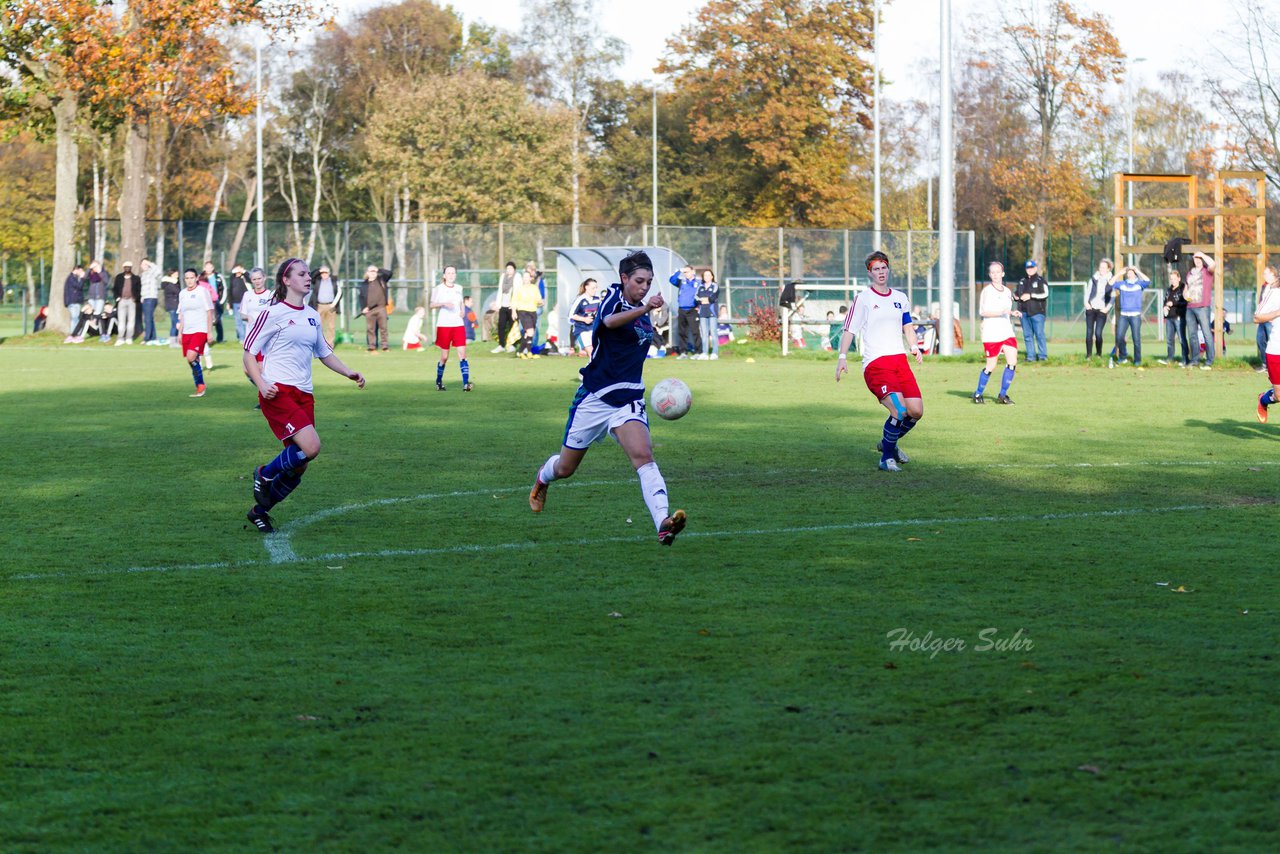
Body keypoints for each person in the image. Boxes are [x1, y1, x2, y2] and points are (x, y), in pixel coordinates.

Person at [528, 250, 687, 546]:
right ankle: (542, 478)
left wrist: (646, 310)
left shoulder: (641, 309)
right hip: (595, 397)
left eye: (649, 282)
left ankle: (663, 523)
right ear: (624, 278)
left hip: (628, 399)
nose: (645, 287)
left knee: (644, 457)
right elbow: (610, 322)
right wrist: (645, 309)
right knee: (566, 468)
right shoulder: (613, 299)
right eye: (639, 280)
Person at [244, 258, 365, 534]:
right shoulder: (272, 313)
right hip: (278, 391)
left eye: (308, 274)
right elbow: (248, 353)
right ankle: (263, 473)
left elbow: (323, 352)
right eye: (301, 274)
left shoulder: (311, 315)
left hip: (304, 395)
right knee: (311, 448)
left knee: (299, 466)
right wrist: (261, 384)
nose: (308, 278)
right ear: (286, 280)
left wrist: (348, 372)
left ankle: (259, 511)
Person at [835, 251, 924, 472]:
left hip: (900, 362)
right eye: (876, 269)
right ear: (870, 273)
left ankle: (888, 443)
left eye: (883, 268)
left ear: (888, 269)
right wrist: (842, 357)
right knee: (899, 410)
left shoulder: (900, 298)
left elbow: (907, 327)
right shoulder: (863, 299)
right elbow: (849, 330)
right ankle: (886, 458)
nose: (881, 272)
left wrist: (914, 346)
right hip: (876, 364)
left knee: (916, 411)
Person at [972, 261, 1020, 405]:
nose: (995, 275)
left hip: (1007, 332)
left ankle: (1002, 395)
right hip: (991, 333)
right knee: (991, 366)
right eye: (992, 272)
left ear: (1002, 274)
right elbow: (983, 312)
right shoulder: (987, 291)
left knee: (1012, 362)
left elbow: (1005, 310)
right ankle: (978, 394)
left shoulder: (1007, 291)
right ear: (990, 274)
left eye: (997, 272)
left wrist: (1012, 312)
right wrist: (1001, 312)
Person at [430, 264, 472, 390]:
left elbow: (460, 303)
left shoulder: (459, 287)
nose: (451, 275)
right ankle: (438, 382)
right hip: (444, 325)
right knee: (444, 357)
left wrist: (463, 311)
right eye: (448, 273)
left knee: (462, 354)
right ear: (444, 275)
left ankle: (466, 384)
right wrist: (443, 304)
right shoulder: (438, 288)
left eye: (453, 273)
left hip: (458, 325)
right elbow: (431, 304)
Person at [177, 268, 214, 398]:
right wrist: (180, 332)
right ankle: (199, 387)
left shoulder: (202, 292)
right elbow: (182, 313)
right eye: (186, 278)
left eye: (191, 277)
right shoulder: (182, 293)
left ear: (196, 278)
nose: (189, 280)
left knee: (191, 357)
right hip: (187, 330)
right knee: (193, 360)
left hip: (200, 329)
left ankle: (201, 385)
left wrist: (209, 332)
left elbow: (209, 311)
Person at [1109, 263, 1149, 367]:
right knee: (1119, 337)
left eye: (1132, 272)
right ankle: (1123, 358)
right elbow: (1110, 283)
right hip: (1124, 315)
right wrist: (1119, 273)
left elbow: (1147, 281)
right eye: (1128, 272)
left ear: (1135, 274)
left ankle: (1137, 360)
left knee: (1136, 339)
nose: (1129, 273)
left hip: (1135, 316)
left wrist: (1138, 271)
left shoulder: (1139, 284)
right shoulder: (1122, 284)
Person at [1253, 266, 1280, 422]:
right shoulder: (1275, 293)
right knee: (1278, 396)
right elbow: (1257, 318)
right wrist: (1278, 312)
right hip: (1276, 351)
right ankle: (1263, 399)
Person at [1184, 251, 1215, 370]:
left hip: (1202, 307)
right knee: (1192, 335)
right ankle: (1195, 360)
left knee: (1207, 333)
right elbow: (1186, 288)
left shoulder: (1207, 271)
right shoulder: (1190, 273)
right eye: (1195, 258)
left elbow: (1213, 264)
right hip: (1190, 307)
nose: (1197, 260)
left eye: (1199, 258)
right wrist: (1185, 295)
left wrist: (1202, 254)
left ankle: (1209, 360)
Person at [1016, 259, 1049, 361]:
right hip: (1024, 313)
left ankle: (1043, 356)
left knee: (1039, 334)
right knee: (1027, 335)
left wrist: (1031, 296)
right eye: (1028, 268)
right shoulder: (1022, 281)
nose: (1029, 270)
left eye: (1031, 268)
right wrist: (1015, 296)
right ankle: (1031, 357)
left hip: (1037, 313)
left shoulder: (1040, 281)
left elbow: (1045, 294)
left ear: (1035, 268)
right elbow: (1017, 293)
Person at [511, 262, 544, 358]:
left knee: (528, 333)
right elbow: (514, 301)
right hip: (523, 312)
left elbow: (538, 300)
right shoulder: (519, 289)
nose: (525, 279)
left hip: (532, 312)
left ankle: (521, 352)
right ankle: (529, 352)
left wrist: (541, 302)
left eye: (527, 277)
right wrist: (513, 311)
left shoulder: (534, 288)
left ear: (531, 278)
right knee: (530, 332)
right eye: (524, 277)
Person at [1157, 269, 1189, 366]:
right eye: (1171, 279)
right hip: (1169, 318)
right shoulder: (1168, 290)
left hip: (1179, 317)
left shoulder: (1183, 288)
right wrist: (1165, 306)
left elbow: (1186, 301)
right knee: (1170, 340)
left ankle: (1185, 359)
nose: (1173, 281)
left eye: (1174, 279)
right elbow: (1165, 301)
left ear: (1179, 278)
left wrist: (1173, 303)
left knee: (1181, 339)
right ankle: (1170, 358)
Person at [669, 264, 700, 358]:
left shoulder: (698, 282)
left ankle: (698, 352)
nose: (685, 274)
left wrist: (699, 306)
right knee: (682, 332)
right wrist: (679, 271)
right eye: (684, 272)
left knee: (695, 332)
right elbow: (671, 280)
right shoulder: (682, 282)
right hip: (682, 309)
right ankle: (683, 352)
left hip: (693, 310)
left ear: (692, 272)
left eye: (687, 272)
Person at [1083, 259, 1112, 359]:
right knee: (1089, 333)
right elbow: (1088, 292)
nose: (1101, 269)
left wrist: (1107, 308)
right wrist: (1086, 303)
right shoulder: (1093, 279)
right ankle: (1088, 355)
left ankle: (1099, 354)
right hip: (1091, 309)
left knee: (1098, 333)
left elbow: (1113, 297)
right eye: (1100, 267)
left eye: (1104, 267)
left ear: (1108, 269)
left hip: (1102, 310)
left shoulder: (1111, 281)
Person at [359, 264, 392, 352]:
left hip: (381, 308)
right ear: (367, 273)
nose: (373, 273)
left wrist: (378, 269)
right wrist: (363, 308)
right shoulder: (364, 284)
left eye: (374, 271)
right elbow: (361, 297)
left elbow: (389, 273)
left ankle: (385, 346)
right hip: (369, 310)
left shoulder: (382, 280)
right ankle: (372, 346)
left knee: (383, 328)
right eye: (371, 271)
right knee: (370, 329)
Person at [308, 264, 341, 345]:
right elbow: (311, 275)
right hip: (319, 306)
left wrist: (334, 304)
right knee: (319, 326)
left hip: (331, 306)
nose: (324, 274)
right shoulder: (317, 281)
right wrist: (319, 269)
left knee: (331, 327)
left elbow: (340, 292)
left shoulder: (334, 281)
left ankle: (330, 345)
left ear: (329, 273)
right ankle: (319, 344)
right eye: (322, 273)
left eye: (326, 272)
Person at [569, 277, 601, 358]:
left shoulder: (597, 300)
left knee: (597, 354)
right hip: (582, 330)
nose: (595, 290)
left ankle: (591, 369)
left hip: (593, 329)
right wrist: (584, 319)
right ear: (586, 287)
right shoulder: (580, 300)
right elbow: (571, 315)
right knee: (592, 354)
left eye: (596, 288)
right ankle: (592, 369)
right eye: (593, 288)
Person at [492, 261, 519, 353]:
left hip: (512, 306)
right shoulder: (503, 277)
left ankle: (512, 345)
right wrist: (497, 304)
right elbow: (500, 291)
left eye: (510, 268)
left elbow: (517, 291)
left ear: (514, 269)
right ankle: (501, 345)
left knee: (512, 325)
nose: (509, 270)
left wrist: (515, 305)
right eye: (507, 268)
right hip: (503, 305)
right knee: (501, 325)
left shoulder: (517, 277)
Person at [695, 268, 720, 360]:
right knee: (704, 333)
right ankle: (704, 353)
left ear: (712, 276)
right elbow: (696, 297)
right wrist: (702, 300)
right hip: (702, 312)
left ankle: (714, 353)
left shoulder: (715, 286)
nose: (707, 277)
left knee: (713, 332)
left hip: (712, 311)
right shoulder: (700, 286)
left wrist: (706, 300)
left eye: (709, 275)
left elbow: (713, 297)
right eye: (705, 275)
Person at [112, 261, 138, 345]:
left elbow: (138, 290)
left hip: (131, 301)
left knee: (131, 320)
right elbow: (115, 289)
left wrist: (135, 298)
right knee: (121, 320)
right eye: (125, 267)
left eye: (129, 267)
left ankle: (129, 337)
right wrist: (117, 298)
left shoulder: (135, 278)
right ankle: (120, 338)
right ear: (123, 268)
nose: (127, 269)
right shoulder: (119, 277)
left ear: (131, 268)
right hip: (122, 300)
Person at [1256, 267, 1276, 373]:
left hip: (1272, 319)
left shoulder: (1277, 287)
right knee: (1260, 340)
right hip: (1262, 318)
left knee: (1273, 343)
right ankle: (1265, 364)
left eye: (1265, 273)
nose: (1264, 275)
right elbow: (1261, 301)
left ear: (1272, 273)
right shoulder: (1264, 286)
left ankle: (1274, 365)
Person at [61, 265, 86, 343]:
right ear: (76, 270)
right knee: (75, 318)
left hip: (74, 301)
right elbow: (79, 286)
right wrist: (82, 278)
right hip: (73, 302)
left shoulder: (73, 278)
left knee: (75, 318)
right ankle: (74, 335)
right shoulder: (71, 278)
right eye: (81, 271)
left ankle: (74, 335)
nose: (82, 273)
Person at [203, 261, 225, 343]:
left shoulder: (218, 276)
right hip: (205, 302)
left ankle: (220, 339)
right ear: (204, 268)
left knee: (218, 321)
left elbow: (224, 289)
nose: (208, 269)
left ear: (213, 268)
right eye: (207, 267)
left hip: (216, 302)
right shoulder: (201, 277)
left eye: (210, 267)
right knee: (206, 321)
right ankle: (205, 339)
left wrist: (221, 301)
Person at [140, 259, 161, 345]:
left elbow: (158, 271)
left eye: (145, 264)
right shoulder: (143, 275)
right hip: (145, 298)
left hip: (151, 297)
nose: (143, 266)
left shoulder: (151, 272)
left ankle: (147, 338)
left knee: (147, 319)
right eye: (142, 264)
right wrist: (142, 296)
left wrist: (149, 263)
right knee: (149, 318)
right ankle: (153, 337)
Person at [161, 269, 182, 347]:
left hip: (175, 306)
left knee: (177, 324)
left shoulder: (175, 283)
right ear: (171, 274)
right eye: (175, 273)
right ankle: (173, 342)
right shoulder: (170, 284)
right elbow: (179, 292)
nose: (177, 275)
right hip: (173, 306)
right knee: (175, 324)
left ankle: (176, 341)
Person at [227, 265, 248, 341]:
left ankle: (246, 337)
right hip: (235, 303)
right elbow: (229, 291)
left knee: (245, 321)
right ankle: (242, 338)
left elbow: (250, 279)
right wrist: (229, 303)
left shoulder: (244, 277)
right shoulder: (232, 278)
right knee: (238, 321)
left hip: (245, 303)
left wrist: (244, 272)